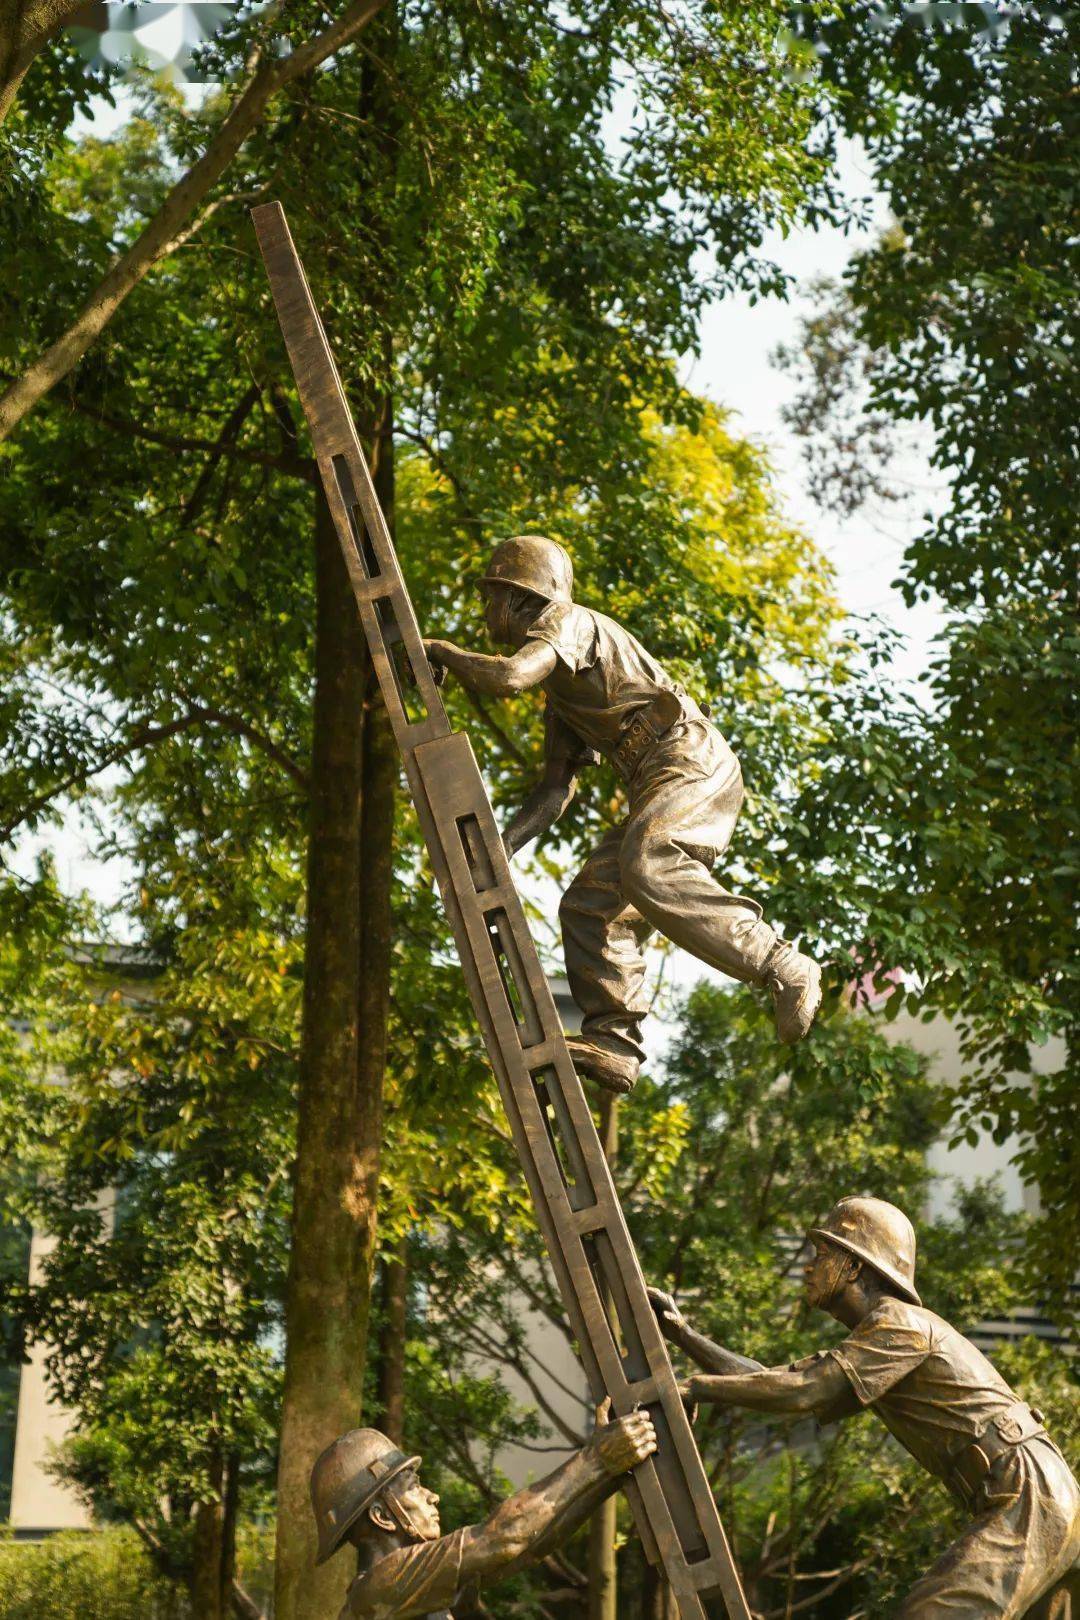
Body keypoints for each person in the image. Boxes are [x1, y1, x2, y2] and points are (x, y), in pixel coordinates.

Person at [422, 534, 821, 1094]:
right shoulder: (562, 695)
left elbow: (506, 678)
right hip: (655, 777)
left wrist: (436, 651)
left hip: (688, 758)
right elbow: (555, 790)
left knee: (650, 860)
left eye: (490, 598)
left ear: (519, 599)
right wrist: (500, 847)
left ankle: (782, 963)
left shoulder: (568, 622)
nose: (485, 613)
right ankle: (615, 1041)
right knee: (590, 906)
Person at [648, 1196, 1080, 1618]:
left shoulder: (899, 1323)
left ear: (854, 1266)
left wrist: (692, 1388)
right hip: (1030, 1494)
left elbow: (804, 1391)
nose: (808, 1267)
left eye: (822, 1254)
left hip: (1028, 1493)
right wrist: (682, 1332)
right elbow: (769, 1377)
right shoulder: (873, 1339)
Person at [311, 1403, 657, 1618]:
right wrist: (595, 1459)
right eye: (414, 1487)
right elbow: (500, 1538)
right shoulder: (382, 1584)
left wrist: (614, 1470)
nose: (433, 1497)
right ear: (382, 1516)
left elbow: (533, 1543)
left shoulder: (415, 1585)